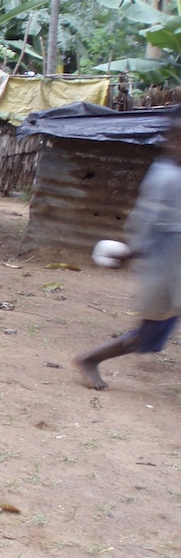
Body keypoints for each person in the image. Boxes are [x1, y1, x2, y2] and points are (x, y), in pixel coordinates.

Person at [73, 117, 181, 390]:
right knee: (149, 335)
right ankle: (90, 359)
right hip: (167, 270)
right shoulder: (166, 177)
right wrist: (128, 253)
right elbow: (147, 225)